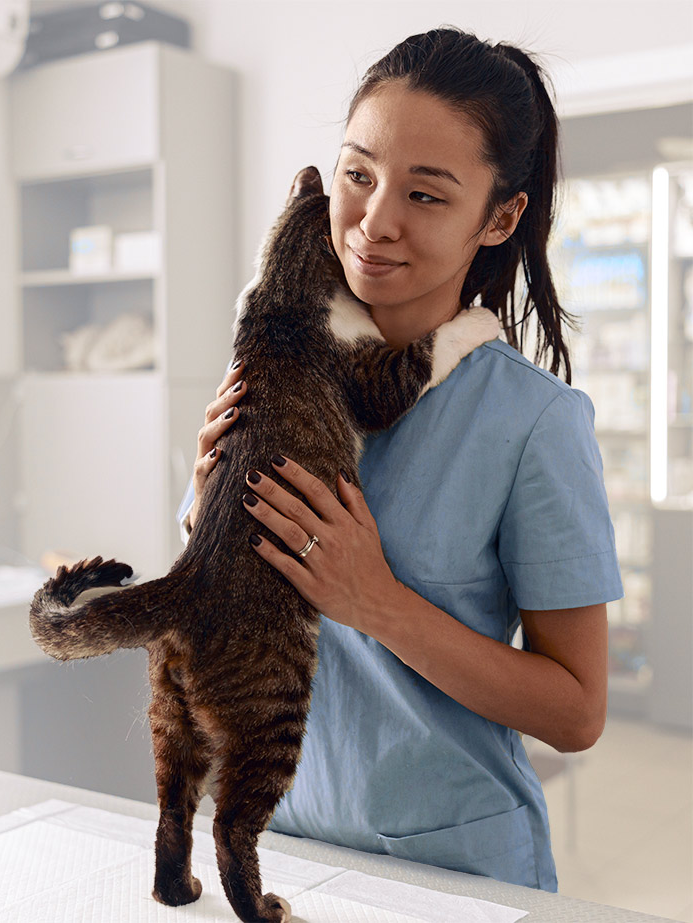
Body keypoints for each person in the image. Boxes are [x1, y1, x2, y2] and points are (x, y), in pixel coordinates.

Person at [175, 28, 622, 892]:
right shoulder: (270, 366)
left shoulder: (534, 422)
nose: (375, 222)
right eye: (358, 174)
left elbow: (577, 712)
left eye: (425, 193)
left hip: (450, 869)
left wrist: (376, 601)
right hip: (282, 846)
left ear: (499, 217)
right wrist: (205, 516)